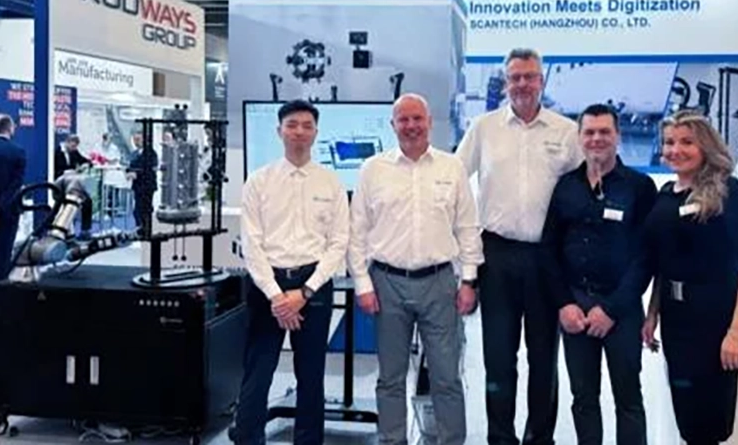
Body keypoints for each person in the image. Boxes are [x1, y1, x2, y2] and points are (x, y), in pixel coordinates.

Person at [456, 47, 582, 445]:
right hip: (497, 256)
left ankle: (540, 437)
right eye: (515, 78)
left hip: (548, 259)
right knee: (498, 357)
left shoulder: (566, 131)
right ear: (505, 83)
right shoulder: (484, 128)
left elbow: (582, 191)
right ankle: (500, 436)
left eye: (529, 77)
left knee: (544, 358)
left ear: (541, 81)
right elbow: (454, 181)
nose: (522, 84)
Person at [348, 93, 483, 445]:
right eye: (403, 119)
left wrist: (469, 280)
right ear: (392, 125)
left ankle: (451, 441)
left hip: (440, 284)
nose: (411, 126)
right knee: (390, 377)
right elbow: (357, 230)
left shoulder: (451, 168)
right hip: (386, 283)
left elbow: (468, 228)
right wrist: (362, 283)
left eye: (417, 118)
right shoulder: (373, 169)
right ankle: (392, 440)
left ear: (430, 122)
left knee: (446, 376)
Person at [641, 110, 738, 445]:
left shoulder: (729, 194)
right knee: (687, 415)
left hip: (715, 320)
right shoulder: (667, 195)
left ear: (706, 147)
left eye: (687, 142)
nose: (675, 150)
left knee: (708, 419)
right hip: (676, 318)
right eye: (669, 142)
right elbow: (665, 259)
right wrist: (652, 313)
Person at [540, 104, 658, 445]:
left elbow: (646, 258)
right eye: (589, 132)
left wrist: (611, 309)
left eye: (604, 131)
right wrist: (564, 304)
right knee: (583, 398)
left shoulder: (639, 187)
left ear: (618, 135)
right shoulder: (565, 187)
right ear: (579, 138)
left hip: (621, 308)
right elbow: (549, 249)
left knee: (628, 397)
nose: (596, 139)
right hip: (575, 306)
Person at [234, 100, 349, 445]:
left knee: (311, 373)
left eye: (306, 125)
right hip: (266, 285)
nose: (299, 131)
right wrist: (277, 297)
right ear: (279, 131)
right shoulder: (259, 181)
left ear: (316, 133)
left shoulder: (331, 183)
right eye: (292, 125)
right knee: (259, 369)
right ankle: (248, 438)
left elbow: (338, 243)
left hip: (313, 284)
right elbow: (251, 244)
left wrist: (305, 292)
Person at [0, 114, 26, 305]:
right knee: (3, 252)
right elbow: (15, 184)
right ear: (9, 128)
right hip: (8, 210)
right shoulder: (18, 152)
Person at [54, 134, 93, 235]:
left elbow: (85, 160)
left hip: (72, 185)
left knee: (88, 201)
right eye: (73, 146)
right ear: (67, 142)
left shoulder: (74, 152)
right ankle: (65, 231)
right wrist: (69, 171)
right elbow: (54, 171)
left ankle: (85, 230)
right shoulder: (56, 152)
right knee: (69, 203)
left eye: (75, 147)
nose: (74, 149)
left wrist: (86, 164)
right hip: (60, 185)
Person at [125, 131, 158, 232]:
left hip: (147, 185)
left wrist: (136, 173)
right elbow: (130, 166)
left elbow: (149, 167)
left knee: (145, 209)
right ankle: (140, 228)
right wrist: (129, 172)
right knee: (137, 209)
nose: (136, 142)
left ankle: (145, 229)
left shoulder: (151, 153)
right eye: (134, 140)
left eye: (138, 140)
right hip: (137, 186)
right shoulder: (134, 154)